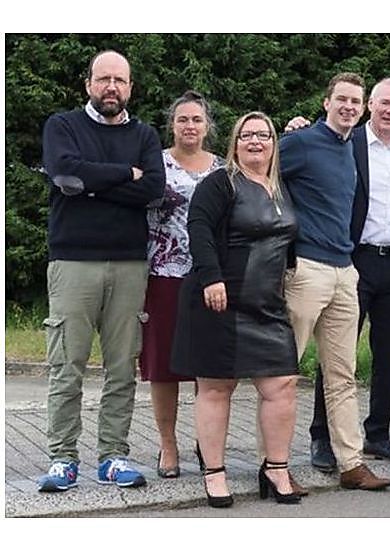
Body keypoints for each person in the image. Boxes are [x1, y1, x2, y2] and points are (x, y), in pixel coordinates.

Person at [37, 50, 165, 492]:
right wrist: (125, 174)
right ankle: (62, 459)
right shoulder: (63, 126)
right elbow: (64, 174)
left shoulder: (144, 134)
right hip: (73, 262)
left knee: (122, 368)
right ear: (88, 83)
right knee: (66, 365)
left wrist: (91, 186)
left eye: (120, 80)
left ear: (130, 87)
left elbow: (153, 189)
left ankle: (113, 456)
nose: (112, 87)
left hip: (129, 263)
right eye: (104, 78)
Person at [170, 112, 299, 508]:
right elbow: (199, 228)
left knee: (282, 384)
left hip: (268, 305)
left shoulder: (281, 186)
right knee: (216, 387)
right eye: (247, 135)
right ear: (235, 143)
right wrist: (211, 277)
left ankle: (276, 468)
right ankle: (214, 473)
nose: (255, 141)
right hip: (220, 299)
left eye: (264, 135)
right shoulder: (220, 183)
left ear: (274, 143)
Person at [279, 73, 390, 491]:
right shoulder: (301, 143)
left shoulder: (351, 147)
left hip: (345, 272)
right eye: (341, 99)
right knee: (282, 374)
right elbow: (257, 171)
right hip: (306, 269)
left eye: (355, 102)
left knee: (342, 376)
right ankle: (274, 464)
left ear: (363, 109)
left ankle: (351, 464)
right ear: (326, 102)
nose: (348, 107)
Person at [298, 77, 390, 469]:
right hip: (352, 258)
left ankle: (378, 433)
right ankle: (322, 436)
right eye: (385, 103)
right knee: (337, 355)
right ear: (371, 106)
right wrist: (297, 127)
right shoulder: (348, 142)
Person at [141, 91, 223, 479]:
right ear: (172, 125)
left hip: (209, 277)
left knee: (207, 365)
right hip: (163, 275)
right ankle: (168, 445)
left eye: (196, 119)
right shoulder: (154, 164)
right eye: (183, 119)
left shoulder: (223, 169)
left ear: (207, 126)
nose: (190, 126)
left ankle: (207, 442)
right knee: (163, 366)